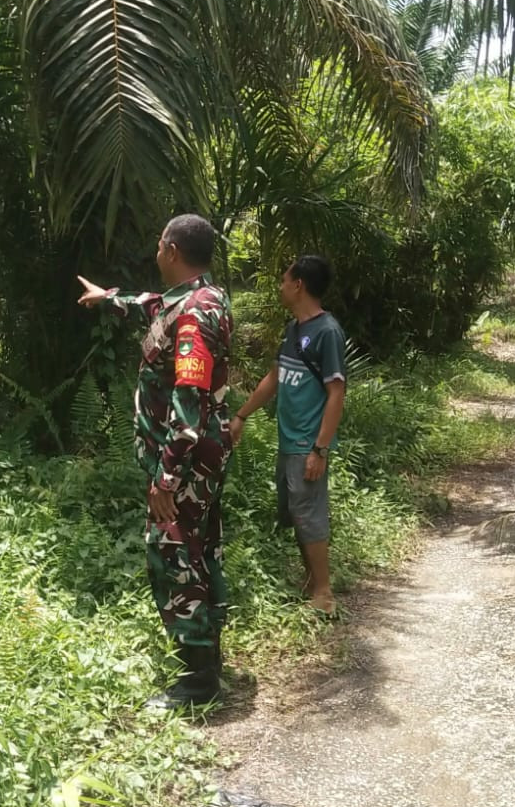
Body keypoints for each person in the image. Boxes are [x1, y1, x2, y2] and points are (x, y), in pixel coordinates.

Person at [75, 214, 235, 710]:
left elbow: (188, 406)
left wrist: (166, 478)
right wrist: (109, 298)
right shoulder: (201, 298)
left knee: (173, 555)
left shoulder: (192, 316)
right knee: (200, 547)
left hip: (185, 465)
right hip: (200, 460)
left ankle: (196, 682)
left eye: (158, 244)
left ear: (169, 249)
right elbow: (151, 305)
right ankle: (208, 654)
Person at [228, 255, 346, 614]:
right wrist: (242, 415)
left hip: (307, 442)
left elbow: (336, 393)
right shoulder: (295, 329)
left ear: (299, 285)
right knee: (296, 511)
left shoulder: (327, 332)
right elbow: (275, 378)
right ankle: (311, 581)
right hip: (288, 439)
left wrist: (320, 449)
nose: (280, 286)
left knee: (309, 512)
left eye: (284, 280)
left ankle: (324, 593)